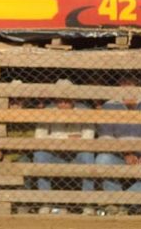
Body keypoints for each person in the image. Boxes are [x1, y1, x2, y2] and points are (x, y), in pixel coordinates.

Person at [33, 79, 95, 215]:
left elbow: (89, 137)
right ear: (55, 99)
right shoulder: (48, 111)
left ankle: (88, 203)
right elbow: (39, 137)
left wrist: (54, 140)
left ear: (73, 99)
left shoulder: (84, 111)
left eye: (66, 100)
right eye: (60, 100)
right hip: (54, 154)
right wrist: (67, 139)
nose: (63, 104)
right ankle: (46, 202)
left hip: (76, 155)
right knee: (40, 154)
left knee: (88, 155)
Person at [95, 76, 141, 216]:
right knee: (102, 160)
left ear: (138, 86)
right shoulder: (109, 106)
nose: (126, 88)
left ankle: (122, 203)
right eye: (123, 84)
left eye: (130, 84)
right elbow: (105, 137)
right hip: (119, 155)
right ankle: (117, 204)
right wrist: (125, 153)